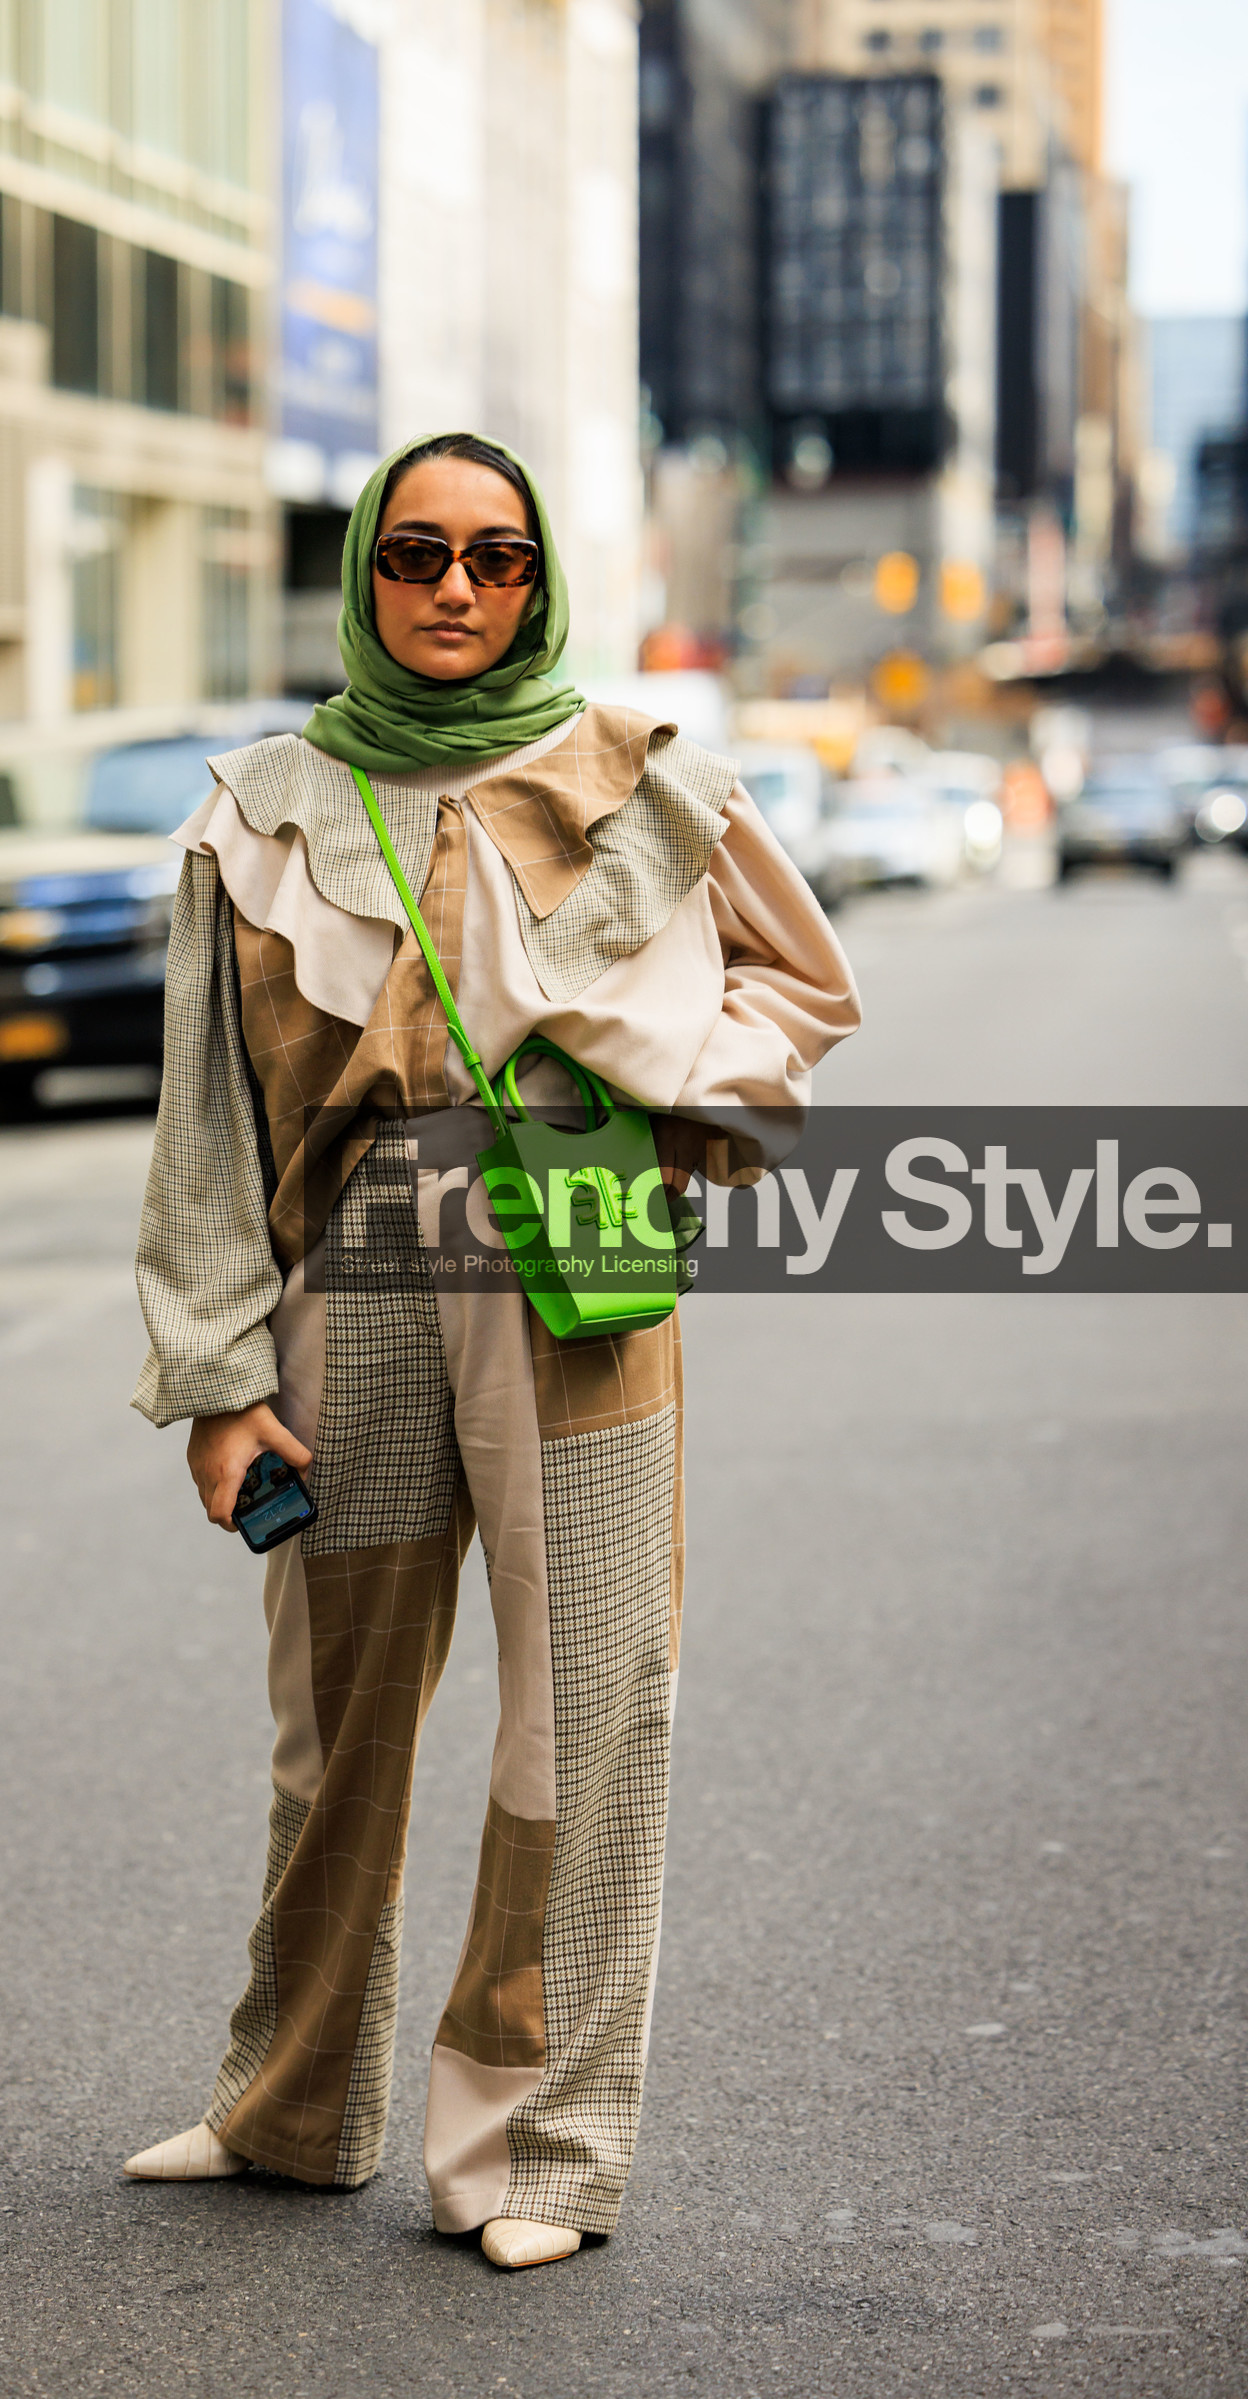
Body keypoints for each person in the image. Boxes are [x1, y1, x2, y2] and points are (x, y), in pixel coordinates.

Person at [122, 432, 859, 2268]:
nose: (459, 589)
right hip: (349, 1271)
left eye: (500, 558)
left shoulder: (638, 773)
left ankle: (539, 2151)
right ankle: (294, 2104)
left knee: (590, 1713)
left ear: (539, 582)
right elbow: (205, 1124)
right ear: (367, 570)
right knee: (334, 1724)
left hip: (580, 1247)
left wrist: (670, 1106)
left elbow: (803, 987)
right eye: (422, 554)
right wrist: (219, 1385)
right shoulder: (263, 803)